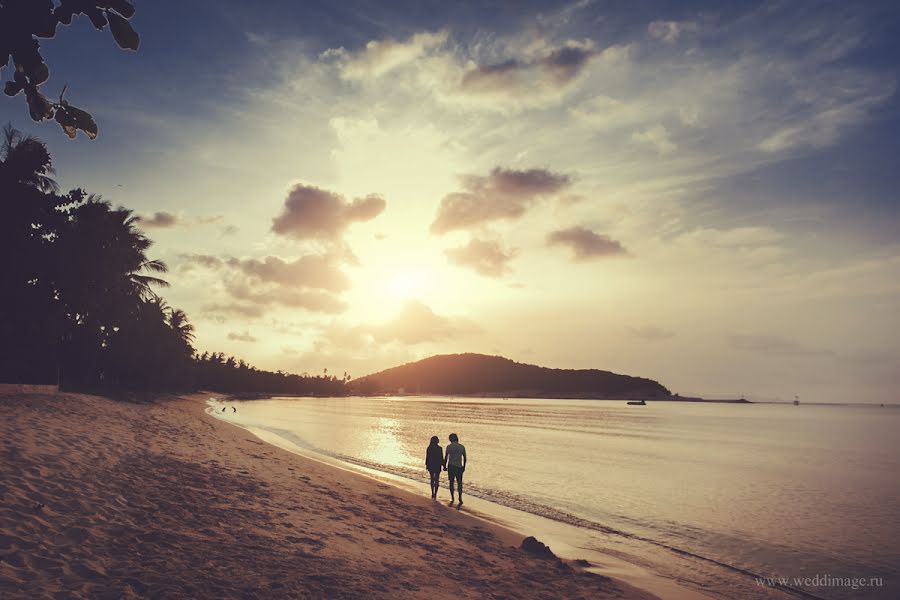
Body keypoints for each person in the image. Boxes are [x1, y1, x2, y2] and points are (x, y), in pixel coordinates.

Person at [443, 433, 466, 506]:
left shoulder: (449, 447)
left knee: (451, 482)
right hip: (459, 466)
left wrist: (444, 466)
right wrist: (464, 466)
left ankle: (452, 497)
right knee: (459, 482)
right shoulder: (461, 447)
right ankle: (460, 497)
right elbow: (465, 458)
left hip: (451, 466)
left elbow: (446, 457)